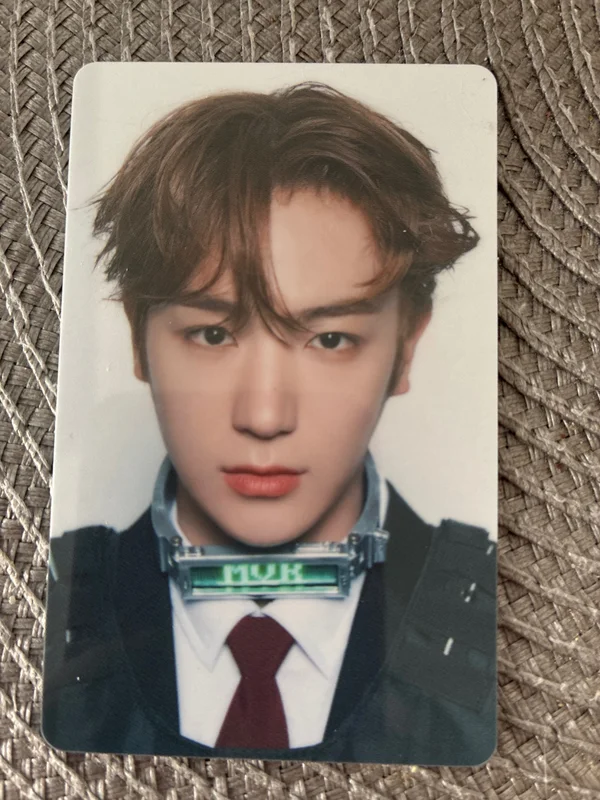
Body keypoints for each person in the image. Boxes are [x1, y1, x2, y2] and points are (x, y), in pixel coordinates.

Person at [42, 82, 496, 764]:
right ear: (138, 336)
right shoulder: (41, 602)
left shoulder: (504, 621)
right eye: (213, 334)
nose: (263, 417)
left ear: (406, 348)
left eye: (330, 340)